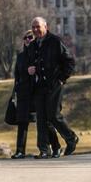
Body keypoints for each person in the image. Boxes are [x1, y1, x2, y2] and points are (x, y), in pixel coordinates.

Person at [26, 16, 79, 158]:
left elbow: (70, 61)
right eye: (34, 27)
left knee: (53, 115)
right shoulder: (32, 46)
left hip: (54, 84)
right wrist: (30, 69)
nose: (36, 30)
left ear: (46, 27)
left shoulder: (55, 41)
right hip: (39, 86)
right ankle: (44, 150)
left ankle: (71, 138)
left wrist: (62, 79)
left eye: (38, 27)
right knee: (41, 119)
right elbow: (30, 64)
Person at [11, 30, 61, 159]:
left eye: (30, 37)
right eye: (25, 38)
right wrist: (15, 92)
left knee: (45, 121)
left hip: (38, 91)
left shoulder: (38, 54)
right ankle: (20, 150)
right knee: (22, 121)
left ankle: (55, 147)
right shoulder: (21, 56)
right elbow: (17, 75)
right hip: (23, 92)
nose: (28, 40)